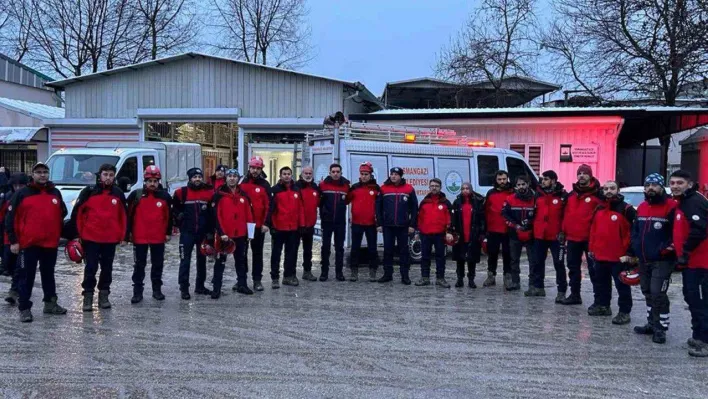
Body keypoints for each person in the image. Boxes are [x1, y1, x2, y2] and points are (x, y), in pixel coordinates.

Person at [5, 163, 67, 322]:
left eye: (45, 172)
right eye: (38, 172)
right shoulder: (22, 194)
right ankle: (24, 308)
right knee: (26, 276)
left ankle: (50, 304)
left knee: (49, 274)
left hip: (50, 244)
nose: (42, 175)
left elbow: (62, 213)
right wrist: (13, 241)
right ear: (32, 174)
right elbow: (10, 219)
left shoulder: (55, 193)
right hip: (28, 244)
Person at [69, 163, 127, 311]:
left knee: (107, 268)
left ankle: (104, 295)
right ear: (99, 175)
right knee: (91, 268)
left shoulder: (118, 193)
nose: (108, 178)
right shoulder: (88, 192)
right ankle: (87, 297)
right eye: (105, 174)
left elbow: (123, 216)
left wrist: (123, 235)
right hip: (90, 238)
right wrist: (77, 235)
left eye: (111, 175)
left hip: (110, 239)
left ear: (114, 177)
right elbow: (77, 214)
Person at [630, 173, 678, 344]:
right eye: (648, 185)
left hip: (662, 260)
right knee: (648, 292)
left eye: (655, 185)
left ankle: (661, 328)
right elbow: (635, 230)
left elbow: (677, 234)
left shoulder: (671, 206)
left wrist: (665, 250)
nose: (651, 188)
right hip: (644, 259)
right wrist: (635, 246)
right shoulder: (642, 206)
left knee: (658, 293)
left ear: (661, 187)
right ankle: (651, 323)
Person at [670, 170, 708, 357]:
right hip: (690, 263)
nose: (675, 186)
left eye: (680, 183)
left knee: (701, 302)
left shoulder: (694, 202)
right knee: (691, 298)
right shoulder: (683, 202)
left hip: (700, 264)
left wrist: (685, 252)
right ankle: (698, 335)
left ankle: (704, 341)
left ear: (689, 184)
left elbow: (699, 231)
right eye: (673, 182)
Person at [587, 181, 636, 324]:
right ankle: (603, 306)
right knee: (602, 283)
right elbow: (593, 230)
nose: (609, 191)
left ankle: (624, 312)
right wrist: (592, 248)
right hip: (600, 254)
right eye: (606, 188)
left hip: (619, 256)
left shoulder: (626, 209)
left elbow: (634, 232)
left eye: (612, 188)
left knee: (622, 285)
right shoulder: (599, 208)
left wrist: (630, 253)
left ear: (618, 190)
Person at [126, 165, 172, 304]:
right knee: (139, 265)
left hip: (158, 237)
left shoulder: (165, 196)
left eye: (155, 181)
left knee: (157, 264)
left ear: (159, 181)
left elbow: (169, 217)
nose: (152, 184)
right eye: (149, 181)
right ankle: (137, 292)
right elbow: (129, 215)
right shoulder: (136, 195)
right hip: (139, 237)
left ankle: (157, 290)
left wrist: (168, 233)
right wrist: (127, 233)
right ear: (145, 181)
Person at [559, 164, 602, 305]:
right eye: (579, 173)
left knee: (595, 270)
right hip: (572, 238)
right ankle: (575, 295)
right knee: (572, 268)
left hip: (590, 239)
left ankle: (599, 299)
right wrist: (563, 231)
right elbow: (565, 214)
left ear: (590, 176)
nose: (581, 176)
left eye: (585, 173)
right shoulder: (571, 195)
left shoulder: (598, 195)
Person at [211, 169, 255, 298]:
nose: (232, 179)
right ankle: (216, 288)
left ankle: (242, 284)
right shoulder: (219, 195)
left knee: (241, 261)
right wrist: (221, 232)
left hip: (240, 234)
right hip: (225, 235)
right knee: (220, 262)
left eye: (234, 176)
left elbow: (249, 215)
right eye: (229, 176)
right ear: (226, 178)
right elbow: (215, 215)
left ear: (238, 178)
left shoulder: (244, 196)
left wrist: (250, 234)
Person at [172, 167, 214, 300]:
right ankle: (184, 288)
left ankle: (200, 286)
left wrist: (210, 232)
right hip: (187, 233)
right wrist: (179, 218)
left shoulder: (208, 193)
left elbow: (211, 214)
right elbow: (173, 209)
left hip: (202, 233)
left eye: (199, 177)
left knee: (202, 261)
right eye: (194, 177)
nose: (197, 179)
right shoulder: (181, 193)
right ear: (190, 178)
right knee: (185, 261)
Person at [376, 167, 418, 285]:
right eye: (392, 174)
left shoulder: (409, 189)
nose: (393, 176)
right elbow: (378, 208)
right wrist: (379, 223)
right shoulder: (383, 188)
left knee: (403, 251)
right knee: (388, 250)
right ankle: (387, 274)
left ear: (401, 176)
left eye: (396, 174)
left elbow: (414, 208)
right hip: (388, 226)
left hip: (403, 226)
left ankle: (405, 275)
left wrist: (412, 224)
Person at [266, 166, 305, 288]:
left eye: (289, 174)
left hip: (293, 228)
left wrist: (302, 224)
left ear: (291, 175)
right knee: (276, 254)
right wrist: (271, 225)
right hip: (278, 228)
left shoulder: (297, 190)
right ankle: (275, 277)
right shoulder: (275, 190)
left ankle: (288, 276)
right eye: (284, 174)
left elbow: (301, 208)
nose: (287, 176)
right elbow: (270, 210)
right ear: (280, 175)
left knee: (291, 254)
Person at [532, 170, 568, 302]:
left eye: (546, 179)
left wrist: (563, 231)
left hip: (556, 236)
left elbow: (566, 216)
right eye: (542, 179)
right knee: (537, 261)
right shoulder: (538, 194)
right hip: (540, 234)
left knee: (558, 263)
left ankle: (562, 290)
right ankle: (538, 287)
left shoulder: (563, 196)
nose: (543, 182)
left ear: (553, 180)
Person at [239, 156, 272, 291]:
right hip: (244, 225)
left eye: (258, 168)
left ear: (261, 169)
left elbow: (269, 205)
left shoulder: (265, 185)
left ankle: (257, 280)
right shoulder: (241, 182)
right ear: (249, 167)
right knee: (242, 253)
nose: (255, 170)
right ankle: (241, 279)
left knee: (257, 254)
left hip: (258, 225)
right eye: (253, 168)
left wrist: (266, 223)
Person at [346, 162, 380, 282]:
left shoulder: (376, 189)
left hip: (371, 224)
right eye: (362, 174)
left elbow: (380, 206)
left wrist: (379, 222)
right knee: (355, 248)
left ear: (371, 175)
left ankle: (373, 272)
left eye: (366, 174)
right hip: (357, 223)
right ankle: (354, 272)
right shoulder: (354, 188)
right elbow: (345, 200)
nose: (364, 176)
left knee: (372, 249)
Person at [502, 175, 537, 293]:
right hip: (514, 233)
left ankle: (532, 284)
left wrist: (530, 225)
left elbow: (538, 215)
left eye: (523, 184)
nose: (521, 187)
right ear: (516, 186)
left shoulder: (535, 198)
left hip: (531, 233)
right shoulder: (510, 199)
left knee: (532, 260)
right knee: (514, 259)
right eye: (518, 185)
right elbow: (505, 215)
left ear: (528, 184)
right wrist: (515, 226)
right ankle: (515, 282)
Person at [415, 178, 453, 288]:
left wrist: (449, 232)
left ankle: (440, 278)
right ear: (429, 187)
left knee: (440, 257)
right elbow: (420, 218)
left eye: (436, 186)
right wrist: (418, 231)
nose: (434, 188)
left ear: (440, 187)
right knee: (425, 257)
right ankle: (425, 278)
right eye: (432, 186)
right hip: (425, 234)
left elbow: (449, 219)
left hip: (440, 234)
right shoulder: (424, 202)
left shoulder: (446, 202)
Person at [318, 163, 351, 281]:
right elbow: (319, 202)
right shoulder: (323, 185)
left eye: (338, 172)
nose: (335, 174)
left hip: (340, 221)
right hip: (327, 221)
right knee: (325, 247)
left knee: (339, 248)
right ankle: (324, 272)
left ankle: (339, 272)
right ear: (330, 172)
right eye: (333, 172)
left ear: (341, 173)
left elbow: (347, 200)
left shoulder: (346, 186)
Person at [451, 182, 485, 288]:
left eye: (467, 188)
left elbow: (482, 219)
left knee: (472, 259)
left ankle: (471, 279)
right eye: (462, 188)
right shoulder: (456, 202)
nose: (465, 190)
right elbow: (453, 219)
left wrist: (482, 233)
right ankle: (460, 279)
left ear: (471, 189)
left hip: (473, 235)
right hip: (460, 235)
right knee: (459, 259)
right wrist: (452, 232)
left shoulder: (478, 202)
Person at [483, 170, 514, 287]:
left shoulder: (513, 192)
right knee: (492, 254)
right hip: (493, 229)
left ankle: (508, 277)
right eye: (499, 179)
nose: (502, 181)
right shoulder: (490, 193)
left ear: (507, 179)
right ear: (496, 180)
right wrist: (485, 228)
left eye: (504, 179)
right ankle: (491, 276)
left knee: (508, 254)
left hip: (508, 229)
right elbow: (486, 210)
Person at [2, 173, 28, 304]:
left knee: (20, 265)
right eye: (15, 185)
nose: (18, 188)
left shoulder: (29, 197)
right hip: (8, 237)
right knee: (8, 264)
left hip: (24, 238)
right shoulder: (7, 197)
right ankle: (17, 283)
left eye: (21, 185)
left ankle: (14, 289)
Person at [295, 166, 320, 282]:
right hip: (297, 224)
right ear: (302, 174)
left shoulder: (315, 187)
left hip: (310, 224)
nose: (308, 175)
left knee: (308, 250)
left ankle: (307, 271)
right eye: (306, 173)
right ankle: (291, 273)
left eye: (310, 173)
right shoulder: (296, 187)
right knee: (293, 250)